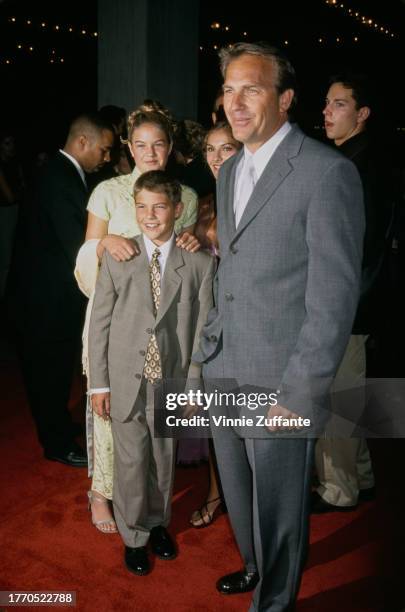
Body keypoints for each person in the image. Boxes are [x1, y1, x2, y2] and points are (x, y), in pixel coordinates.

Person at [193, 42, 364, 611]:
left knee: (279, 506)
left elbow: (334, 296)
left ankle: (275, 601)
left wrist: (301, 390)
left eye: (252, 89)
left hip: (280, 379)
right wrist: (207, 350)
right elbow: (232, 269)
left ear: (286, 99)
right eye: (228, 89)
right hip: (224, 368)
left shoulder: (327, 172)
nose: (235, 104)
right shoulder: (231, 168)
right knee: (241, 500)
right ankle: (255, 568)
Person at [75, 102, 199, 533]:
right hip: (115, 319)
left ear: (170, 147)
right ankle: (102, 493)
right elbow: (86, 255)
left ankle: (150, 511)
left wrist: (194, 242)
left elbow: (188, 263)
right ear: (128, 146)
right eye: (141, 145)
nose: (150, 153)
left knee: (153, 428)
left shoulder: (186, 196)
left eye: (158, 144)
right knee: (113, 415)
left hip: (163, 328)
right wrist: (105, 241)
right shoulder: (107, 192)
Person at [88, 170, 215, 575]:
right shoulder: (119, 256)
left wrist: (193, 384)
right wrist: (99, 384)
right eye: (142, 207)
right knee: (130, 462)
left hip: (171, 380)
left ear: (177, 210)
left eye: (159, 206)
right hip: (126, 378)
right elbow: (100, 325)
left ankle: (158, 522)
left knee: (163, 457)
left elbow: (200, 328)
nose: (150, 215)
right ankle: (134, 535)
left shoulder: (197, 263)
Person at [11, 113, 114, 467]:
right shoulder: (58, 177)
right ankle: (55, 443)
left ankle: (57, 424)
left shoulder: (63, 172)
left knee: (55, 370)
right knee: (48, 372)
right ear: (82, 142)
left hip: (50, 295)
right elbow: (79, 243)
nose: (107, 158)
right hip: (42, 300)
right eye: (104, 150)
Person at [313, 73, 393, 513]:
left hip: (344, 305)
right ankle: (360, 477)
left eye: (338, 104)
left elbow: (349, 249)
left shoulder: (352, 168)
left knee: (336, 400)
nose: (326, 111)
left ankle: (338, 490)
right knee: (351, 398)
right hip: (357, 303)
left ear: (362, 114)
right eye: (326, 103)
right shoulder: (359, 160)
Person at [189, 121, 241, 527]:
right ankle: (215, 491)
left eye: (226, 148)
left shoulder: (261, 196)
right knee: (217, 418)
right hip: (212, 327)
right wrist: (190, 242)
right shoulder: (204, 204)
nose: (216, 157)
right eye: (210, 149)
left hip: (253, 326)